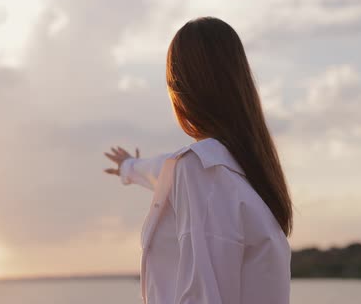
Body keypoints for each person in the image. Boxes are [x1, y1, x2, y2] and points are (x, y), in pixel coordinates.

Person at [104, 17, 293, 304]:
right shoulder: (248, 172)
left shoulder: (200, 171)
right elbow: (161, 170)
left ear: (181, 88)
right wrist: (129, 167)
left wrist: (131, 168)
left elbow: (204, 294)